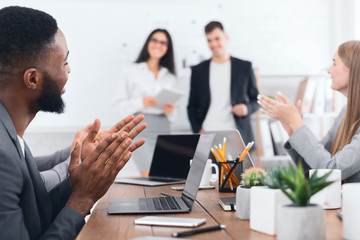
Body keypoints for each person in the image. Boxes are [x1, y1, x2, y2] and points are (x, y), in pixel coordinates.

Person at [0, 6, 147, 239]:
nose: (69, 71)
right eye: (63, 63)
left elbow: (34, 213)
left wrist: (75, 183)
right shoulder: (2, 156)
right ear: (33, 78)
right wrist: (84, 198)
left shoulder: (10, 136)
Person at [258, 40, 360, 182]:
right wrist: (293, 131)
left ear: (352, 69)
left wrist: (297, 122)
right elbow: (315, 165)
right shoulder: (345, 112)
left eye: (334, 63)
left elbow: (332, 169)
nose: (328, 70)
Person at [113, 29, 177, 175]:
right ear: (148, 43)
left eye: (163, 42)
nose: (158, 45)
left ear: (168, 48)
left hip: (164, 129)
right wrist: (142, 102)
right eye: (154, 40)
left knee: (165, 175)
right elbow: (117, 105)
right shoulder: (131, 71)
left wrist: (170, 111)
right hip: (140, 127)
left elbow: (174, 115)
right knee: (148, 174)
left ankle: (162, 199)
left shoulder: (170, 77)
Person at [187, 21, 259, 147]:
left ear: (225, 38)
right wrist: (197, 129)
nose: (213, 44)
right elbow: (191, 106)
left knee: (238, 167)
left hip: (236, 135)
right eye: (209, 40)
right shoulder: (198, 71)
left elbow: (257, 100)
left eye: (217, 38)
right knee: (209, 168)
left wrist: (246, 108)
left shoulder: (244, 67)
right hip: (207, 134)